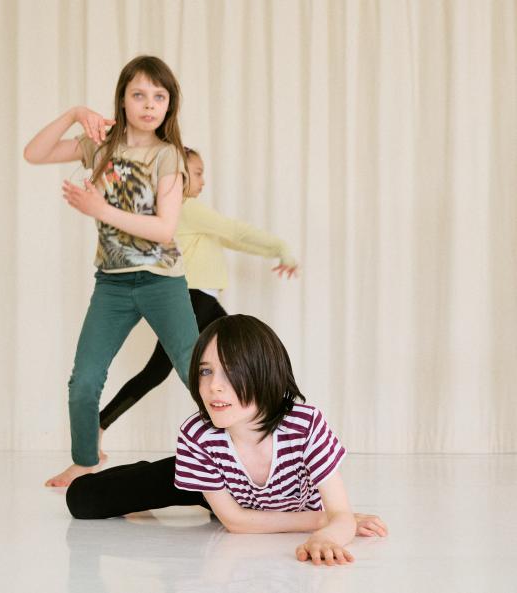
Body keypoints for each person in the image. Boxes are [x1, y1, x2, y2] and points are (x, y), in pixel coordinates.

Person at [67, 315, 388, 565]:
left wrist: (329, 537)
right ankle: (144, 471)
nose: (213, 387)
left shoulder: (305, 425)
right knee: (83, 500)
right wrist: (320, 521)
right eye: (206, 372)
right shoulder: (199, 435)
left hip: (238, 493)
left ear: (265, 373)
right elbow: (235, 521)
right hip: (212, 487)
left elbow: (342, 516)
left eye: (230, 371)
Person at [23, 55, 197, 487]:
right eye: (139, 94)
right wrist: (74, 114)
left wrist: (100, 209)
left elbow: (164, 228)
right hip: (112, 286)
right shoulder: (100, 147)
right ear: (122, 99)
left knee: (198, 373)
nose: (149, 104)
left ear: (169, 105)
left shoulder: (168, 156)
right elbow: (34, 153)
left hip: (163, 282)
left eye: (159, 96)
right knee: (84, 380)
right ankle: (85, 461)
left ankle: (241, 455)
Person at [98, 147, 298, 456]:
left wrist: (277, 252)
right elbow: (236, 230)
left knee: (163, 371)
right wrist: (282, 246)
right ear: (178, 176)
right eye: (199, 172)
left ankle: (98, 427)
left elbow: (231, 239)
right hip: (192, 298)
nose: (204, 180)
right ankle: (248, 433)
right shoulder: (187, 207)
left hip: (192, 299)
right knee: (240, 355)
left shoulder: (180, 213)